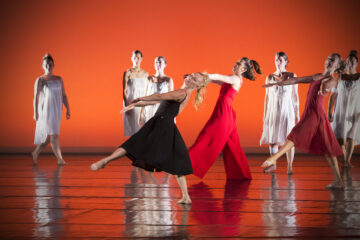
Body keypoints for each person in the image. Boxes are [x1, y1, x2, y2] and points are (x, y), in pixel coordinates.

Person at [90, 75, 207, 204]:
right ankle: (186, 197)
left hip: (160, 123)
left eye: (195, 79)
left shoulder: (181, 92)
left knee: (133, 143)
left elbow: (159, 97)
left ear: (197, 86)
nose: (191, 78)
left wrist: (140, 97)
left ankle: (105, 161)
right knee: (176, 159)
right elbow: (157, 102)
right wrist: (137, 104)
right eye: (192, 75)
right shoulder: (184, 93)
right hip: (167, 125)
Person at [261, 53, 346, 189]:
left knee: (296, 135)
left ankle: (274, 158)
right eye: (329, 58)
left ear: (337, 66)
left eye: (333, 60)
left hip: (315, 113)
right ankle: (339, 181)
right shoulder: (316, 76)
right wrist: (278, 83)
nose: (329, 61)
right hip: (314, 113)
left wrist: (325, 86)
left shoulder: (331, 79)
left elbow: (329, 84)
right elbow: (296, 80)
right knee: (329, 148)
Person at [189, 57, 262, 180]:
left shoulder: (235, 79)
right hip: (227, 116)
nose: (235, 64)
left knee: (205, 138)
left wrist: (202, 75)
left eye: (238, 64)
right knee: (233, 146)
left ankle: (186, 163)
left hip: (223, 115)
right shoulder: (233, 78)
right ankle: (242, 175)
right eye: (236, 62)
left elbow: (216, 76)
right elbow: (214, 80)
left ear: (243, 69)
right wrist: (196, 79)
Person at [260, 52, 299, 174]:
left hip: (287, 111)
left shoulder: (292, 75)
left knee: (289, 139)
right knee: (273, 138)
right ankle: (273, 164)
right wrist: (265, 114)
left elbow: (295, 97)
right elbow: (267, 98)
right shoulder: (270, 77)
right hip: (273, 111)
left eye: (281, 60)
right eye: (276, 59)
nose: (278, 62)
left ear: (286, 62)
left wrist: (297, 115)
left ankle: (289, 166)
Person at [32, 53, 70, 165]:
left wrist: (68, 109)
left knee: (49, 137)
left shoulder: (59, 79)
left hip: (57, 110)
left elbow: (64, 95)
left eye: (50, 63)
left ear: (53, 64)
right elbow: (36, 97)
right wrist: (35, 112)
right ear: (42, 66)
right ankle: (60, 159)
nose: (48, 65)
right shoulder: (40, 79)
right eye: (46, 64)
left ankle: (35, 153)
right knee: (54, 135)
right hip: (46, 111)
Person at [328, 50, 360, 168]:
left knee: (351, 137)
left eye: (352, 60)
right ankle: (344, 160)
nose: (350, 62)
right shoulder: (340, 77)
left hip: (354, 110)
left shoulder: (359, 78)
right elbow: (333, 95)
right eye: (348, 61)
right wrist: (329, 111)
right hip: (341, 111)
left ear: (356, 62)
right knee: (341, 139)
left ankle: (347, 161)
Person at [139, 56, 174, 126]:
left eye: (160, 62)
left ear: (165, 65)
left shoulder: (168, 80)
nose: (158, 64)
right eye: (156, 62)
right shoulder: (149, 79)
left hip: (162, 110)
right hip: (149, 109)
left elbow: (171, 100)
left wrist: (171, 116)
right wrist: (140, 114)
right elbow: (145, 97)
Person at [123, 50, 149, 136]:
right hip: (131, 102)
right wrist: (127, 106)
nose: (136, 60)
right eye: (134, 58)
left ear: (141, 59)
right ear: (131, 59)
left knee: (143, 127)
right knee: (133, 129)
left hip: (142, 102)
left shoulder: (145, 73)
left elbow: (147, 90)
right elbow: (124, 90)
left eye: (138, 58)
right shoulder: (128, 72)